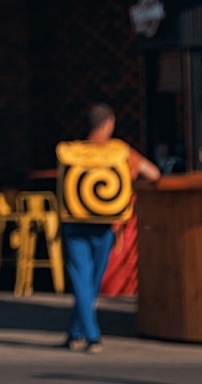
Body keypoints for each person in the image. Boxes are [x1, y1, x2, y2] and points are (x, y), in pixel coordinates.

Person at [61, 103, 160, 353]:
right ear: (108, 124)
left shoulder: (70, 151)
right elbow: (154, 173)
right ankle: (93, 336)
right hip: (104, 225)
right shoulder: (120, 151)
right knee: (91, 281)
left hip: (75, 222)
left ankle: (75, 333)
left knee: (82, 280)